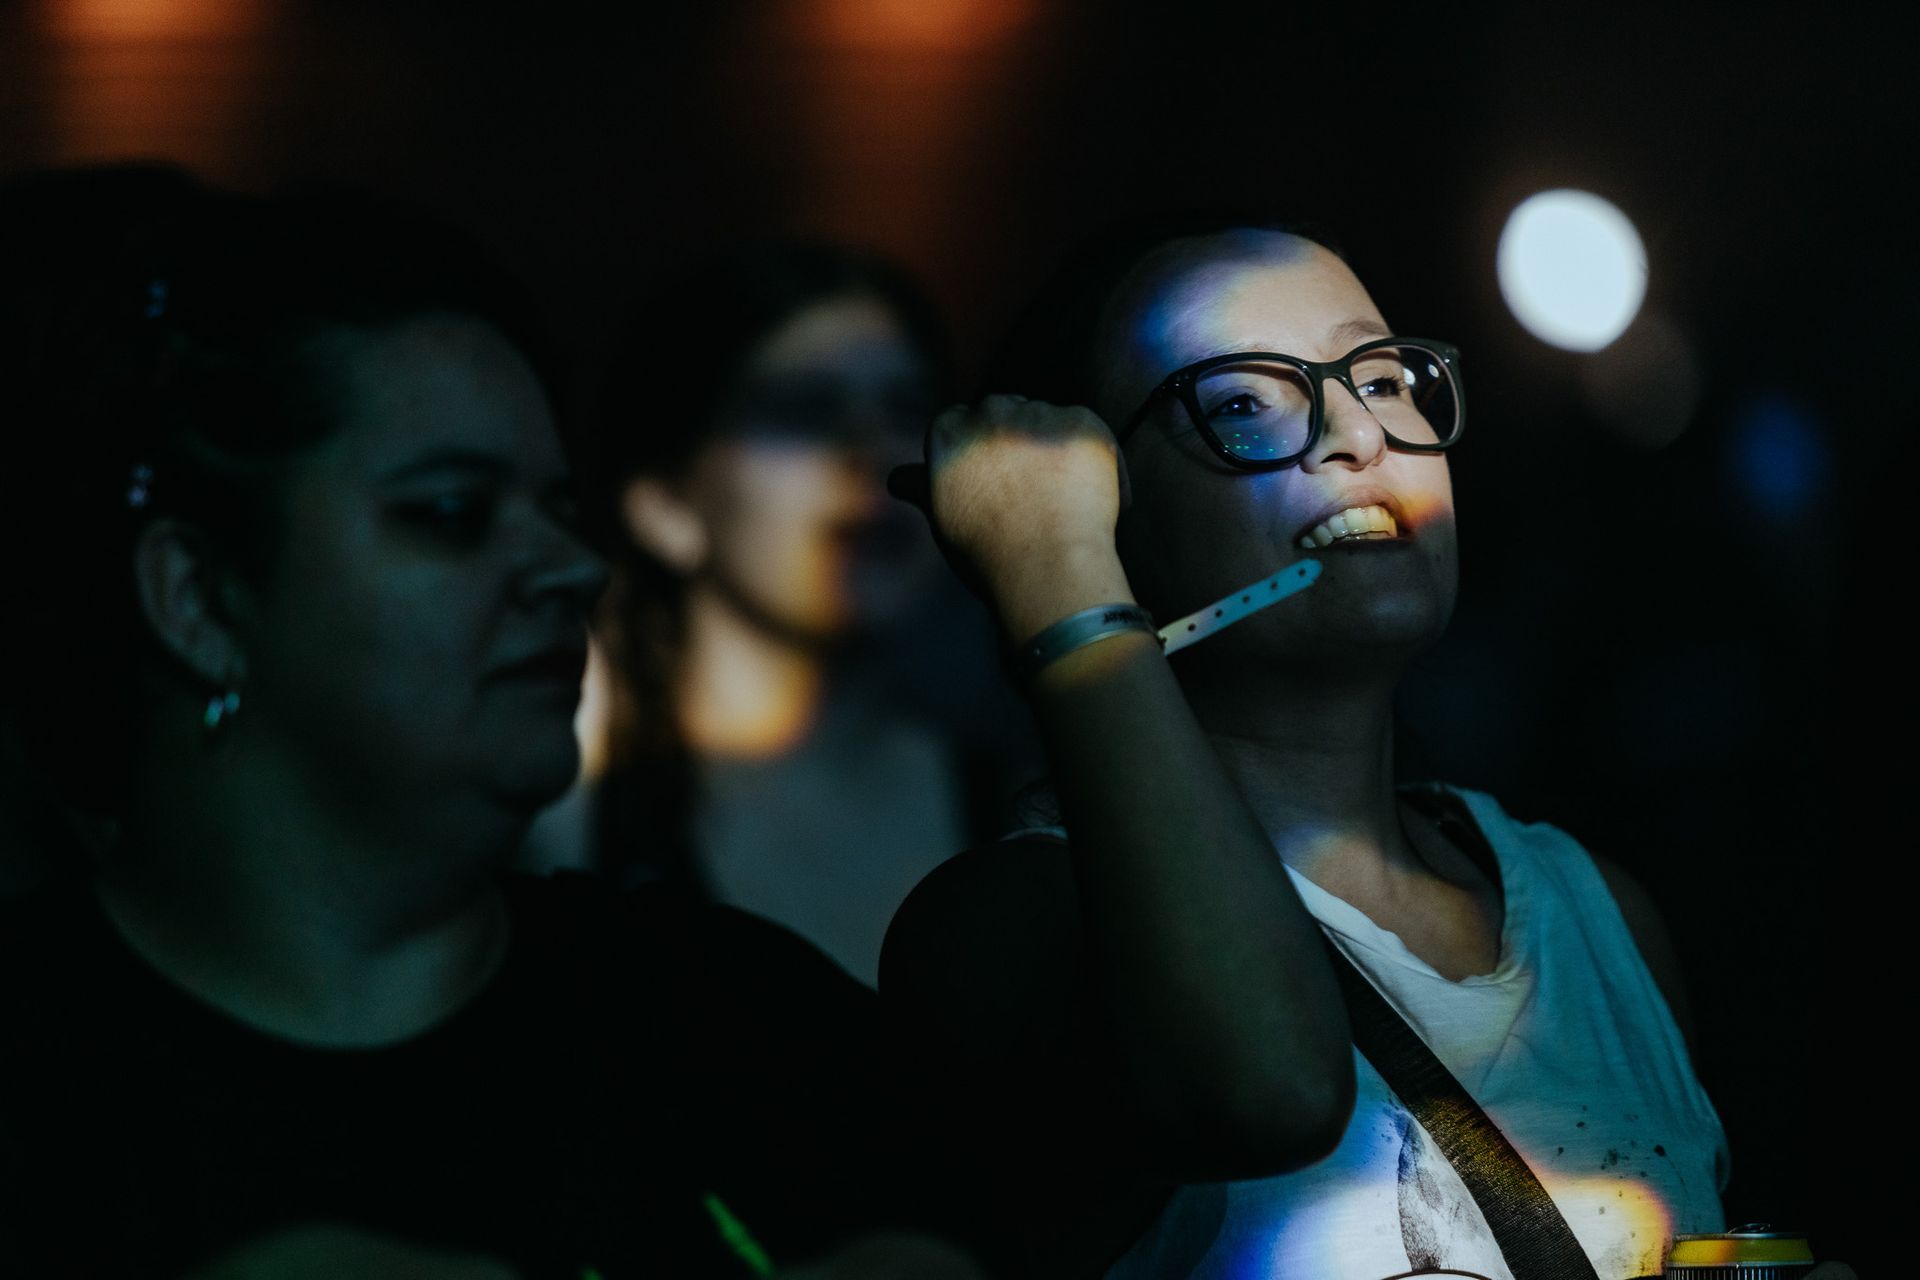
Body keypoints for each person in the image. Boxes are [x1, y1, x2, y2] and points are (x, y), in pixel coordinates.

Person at [0, 164, 990, 1280]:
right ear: (196, 595)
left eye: (560, 511)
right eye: (452, 513)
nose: (569, 568)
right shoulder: (41, 1075)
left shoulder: (736, 1018)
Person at [879, 216, 1857, 1279]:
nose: (1358, 432)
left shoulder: (1593, 908)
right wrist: (1055, 578)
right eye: (1240, 403)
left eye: (1384, 379)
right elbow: (1267, 1090)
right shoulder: (1019, 919)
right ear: (1095, 514)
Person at [522, 240, 1041, 987]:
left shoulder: (1020, 808)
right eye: (805, 412)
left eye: (908, 408)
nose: (875, 448)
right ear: (665, 504)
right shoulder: (558, 790)